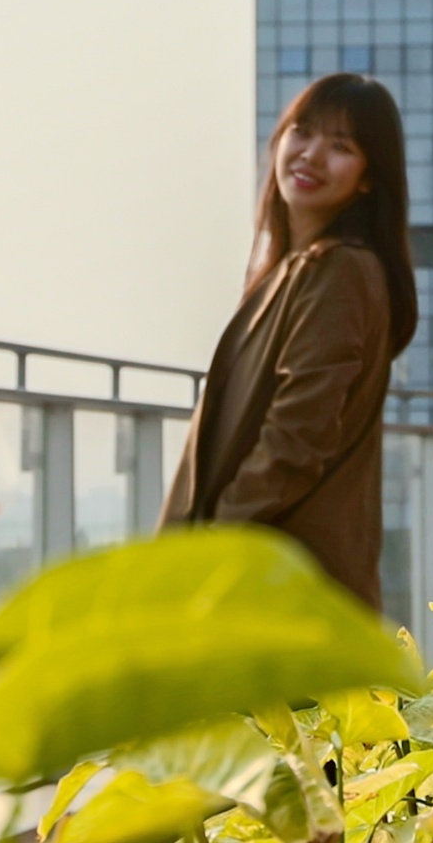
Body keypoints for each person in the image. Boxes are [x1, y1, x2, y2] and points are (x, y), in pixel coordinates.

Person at [163, 72, 417, 610]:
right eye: (302, 132)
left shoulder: (339, 269)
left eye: (340, 146)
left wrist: (219, 538)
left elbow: (299, 433)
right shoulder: (290, 270)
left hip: (279, 577)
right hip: (267, 568)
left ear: (370, 177)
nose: (311, 156)